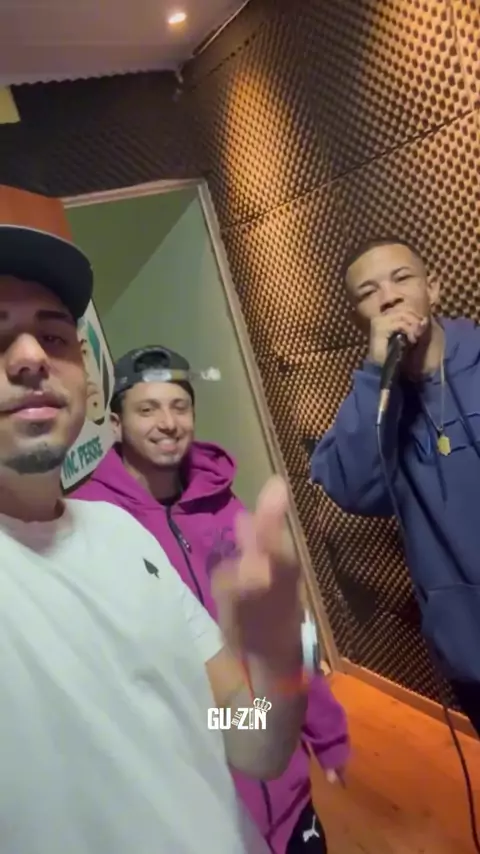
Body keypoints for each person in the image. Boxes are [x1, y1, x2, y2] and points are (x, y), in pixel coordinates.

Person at [0, 223, 319, 854]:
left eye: (55, 335)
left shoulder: (124, 536)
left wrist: (280, 666)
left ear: (86, 379)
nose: (32, 355)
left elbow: (245, 736)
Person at [74, 345, 350, 853]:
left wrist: (326, 730)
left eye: (179, 406)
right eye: (147, 408)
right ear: (115, 423)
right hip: (198, 810)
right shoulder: (91, 524)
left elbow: (283, 633)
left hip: (285, 789)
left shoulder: (225, 505)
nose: (167, 422)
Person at [311, 236, 480, 735]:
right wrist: (373, 374)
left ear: (434, 288)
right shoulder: (376, 402)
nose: (389, 297)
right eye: (369, 292)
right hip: (470, 649)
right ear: (359, 319)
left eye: (402, 278)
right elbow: (352, 488)